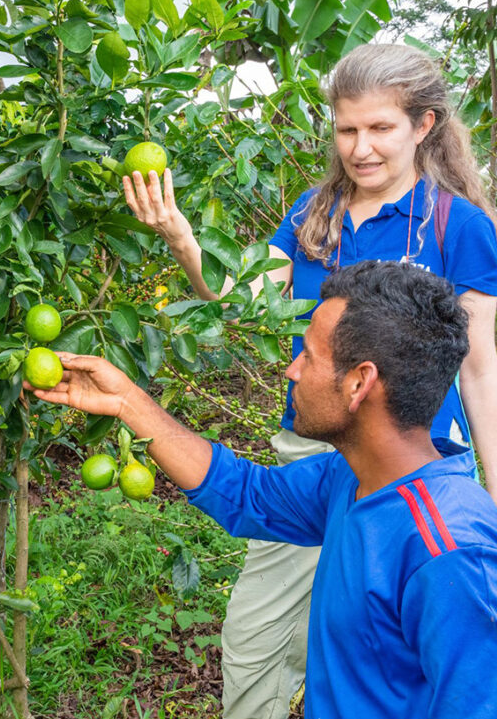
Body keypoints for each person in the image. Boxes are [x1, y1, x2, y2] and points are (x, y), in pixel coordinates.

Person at [123, 42, 497, 718]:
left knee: (398, 653)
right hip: (318, 453)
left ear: (423, 126)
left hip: (406, 466)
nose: (361, 147)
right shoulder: (314, 214)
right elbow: (238, 296)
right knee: (254, 636)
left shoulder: (457, 225)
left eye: (381, 128)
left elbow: (481, 373)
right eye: (347, 128)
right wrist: (181, 237)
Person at [27, 260, 497, 719]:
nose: (292, 370)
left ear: (359, 382)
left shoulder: (449, 553)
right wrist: (127, 400)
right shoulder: (354, 478)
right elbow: (247, 493)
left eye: (308, 355)